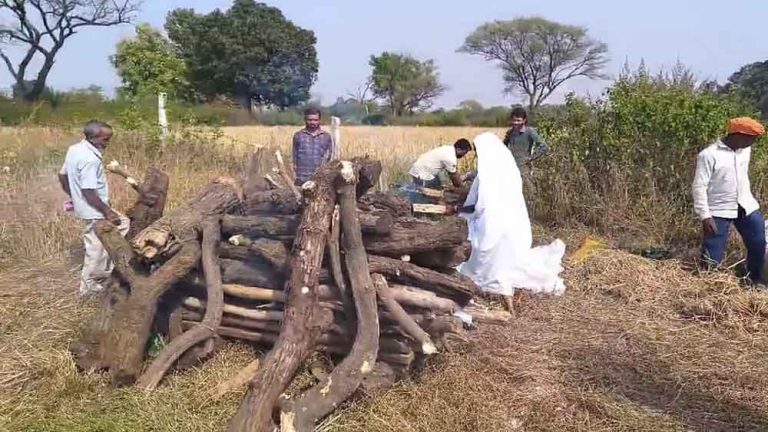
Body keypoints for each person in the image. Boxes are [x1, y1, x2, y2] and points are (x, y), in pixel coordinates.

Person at [456, 132, 565, 296]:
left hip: (491, 227)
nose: (477, 155)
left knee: (477, 245)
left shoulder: (488, 177)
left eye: (478, 151)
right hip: (513, 229)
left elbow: (480, 208)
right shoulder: (507, 172)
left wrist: (458, 211)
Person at [59, 120, 130, 297]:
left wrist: (73, 196)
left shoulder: (74, 149)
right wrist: (107, 211)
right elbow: (88, 190)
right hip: (93, 208)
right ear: (93, 137)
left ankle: (102, 275)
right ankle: (89, 287)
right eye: (105, 139)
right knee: (96, 246)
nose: (107, 143)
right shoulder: (90, 159)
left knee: (121, 226)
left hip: (86, 205)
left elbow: (62, 175)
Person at [693, 117, 766, 284]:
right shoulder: (709, 155)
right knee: (712, 255)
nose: (752, 143)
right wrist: (705, 216)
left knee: (758, 242)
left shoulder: (744, 151)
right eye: (751, 139)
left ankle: (752, 279)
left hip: (745, 205)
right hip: (718, 209)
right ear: (738, 135)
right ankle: (711, 285)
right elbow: (699, 187)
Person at [502, 107, 549, 185]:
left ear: (524, 120)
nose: (516, 123)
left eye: (518, 120)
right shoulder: (510, 133)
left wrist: (531, 158)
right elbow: (503, 148)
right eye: (514, 120)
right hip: (510, 170)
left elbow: (544, 146)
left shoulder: (529, 131)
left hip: (524, 171)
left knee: (528, 193)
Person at [292, 107, 333, 185]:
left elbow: (329, 157)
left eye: (315, 120)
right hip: (302, 178)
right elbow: (294, 156)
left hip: (320, 177)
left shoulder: (326, 136)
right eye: (310, 120)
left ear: (319, 120)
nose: (312, 122)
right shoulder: (298, 135)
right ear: (305, 120)